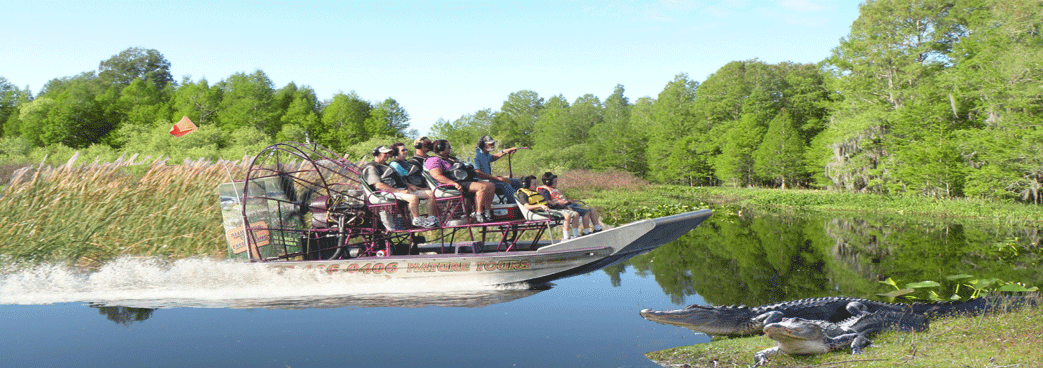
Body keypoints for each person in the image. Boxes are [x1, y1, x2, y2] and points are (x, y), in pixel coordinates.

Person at [360, 145, 438, 228]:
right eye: (384, 153)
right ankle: (417, 220)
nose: (387, 155)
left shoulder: (387, 166)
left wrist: (410, 186)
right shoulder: (371, 167)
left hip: (398, 190)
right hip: (384, 193)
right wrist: (400, 191)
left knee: (430, 193)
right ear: (377, 154)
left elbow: (400, 179)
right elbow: (378, 185)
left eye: (388, 153)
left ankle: (431, 219)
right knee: (413, 198)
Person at [424, 139, 497, 223]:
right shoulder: (433, 160)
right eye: (448, 147)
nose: (450, 148)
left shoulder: (450, 158)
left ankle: (487, 211)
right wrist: (453, 183)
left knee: (491, 185)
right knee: (482, 187)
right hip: (448, 185)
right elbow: (437, 175)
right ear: (441, 148)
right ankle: (479, 213)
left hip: (461, 181)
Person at [515, 175, 580, 240]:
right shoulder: (522, 194)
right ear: (526, 185)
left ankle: (575, 235)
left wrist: (556, 204)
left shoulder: (534, 192)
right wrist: (540, 205)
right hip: (537, 212)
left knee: (576, 214)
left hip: (548, 210)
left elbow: (545, 202)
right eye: (534, 184)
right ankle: (566, 238)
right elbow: (527, 206)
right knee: (567, 215)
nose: (536, 186)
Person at [538, 172, 604, 235]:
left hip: (567, 204)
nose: (556, 183)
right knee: (586, 212)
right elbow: (550, 202)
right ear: (548, 182)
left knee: (592, 209)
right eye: (555, 182)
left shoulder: (553, 189)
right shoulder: (544, 190)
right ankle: (586, 232)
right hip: (562, 207)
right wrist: (563, 203)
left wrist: (569, 201)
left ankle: (597, 228)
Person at [387, 142, 439, 220]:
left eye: (406, 149)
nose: (406, 151)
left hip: (415, 187)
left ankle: (434, 217)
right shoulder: (394, 164)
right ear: (396, 152)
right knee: (432, 194)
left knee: (435, 191)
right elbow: (402, 180)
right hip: (407, 189)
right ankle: (431, 218)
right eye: (403, 150)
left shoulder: (406, 162)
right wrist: (419, 188)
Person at [473, 135, 521, 203]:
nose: (493, 145)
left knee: (517, 182)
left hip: (490, 181)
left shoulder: (485, 154)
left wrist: (505, 151)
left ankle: (522, 201)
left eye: (493, 143)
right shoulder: (477, 155)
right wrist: (497, 178)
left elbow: (492, 157)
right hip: (482, 183)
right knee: (504, 185)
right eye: (490, 144)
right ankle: (517, 203)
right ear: (482, 144)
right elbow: (477, 172)